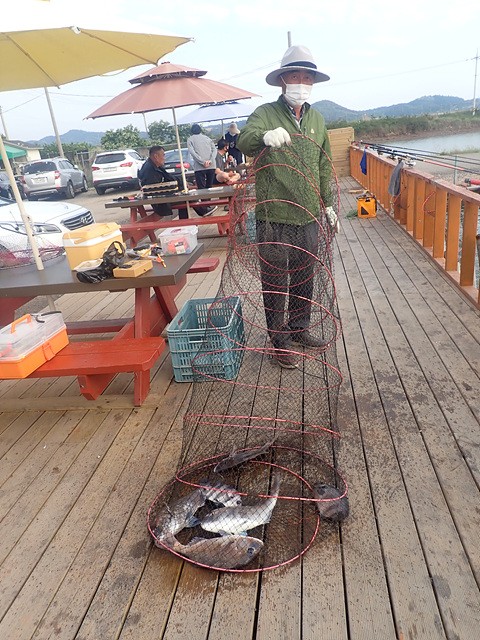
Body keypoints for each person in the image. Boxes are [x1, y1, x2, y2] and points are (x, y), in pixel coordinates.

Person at [236, 44, 339, 369]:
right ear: (283, 80)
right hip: (275, 217)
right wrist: (264, 135)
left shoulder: (317, 118)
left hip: (308, 216)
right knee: (276, 281)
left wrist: (328, 206)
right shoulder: (266, 113)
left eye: (307, 78)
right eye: (295, 76)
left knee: (305, 277)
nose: (301, 83)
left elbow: (323, 164)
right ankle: (278, 341)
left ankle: (298, 329)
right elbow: (244, 139)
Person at [137, 145, 175, 218]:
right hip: (159, 202)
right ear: (156, 156)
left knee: (187, 199)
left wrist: (181, 182)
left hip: (163, 198)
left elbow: (170, 178)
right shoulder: (149, 170)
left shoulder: (157, 166)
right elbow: (154, 188)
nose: (164, 158)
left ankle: (185, 222)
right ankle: (198, 217)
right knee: (189, 199)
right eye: (163, 155)